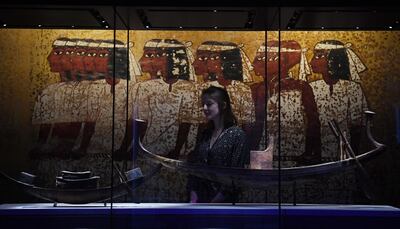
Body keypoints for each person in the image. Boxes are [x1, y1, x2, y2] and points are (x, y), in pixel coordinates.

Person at [251, 40, 321, 168]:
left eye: (262, 58)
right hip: (261, 157)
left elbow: (313, 124)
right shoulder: (256, 89)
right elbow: (251, 126)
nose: (255, 63)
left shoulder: (301, 87)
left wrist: (311, 154)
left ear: (281, 61)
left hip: (294, 157)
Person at [187, 86, 250, 203]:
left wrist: (214, 204)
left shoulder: (237, 135)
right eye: (203, 104)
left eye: (209, 104)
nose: (204, 108)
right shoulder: (205, 134)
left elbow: (235, 176)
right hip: (200, 202)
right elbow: (196, 169)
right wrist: (193, 199)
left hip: (224, 206)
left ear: (223, 106)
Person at [309, 40, 368, 161]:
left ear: (333, 59)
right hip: (317, 153)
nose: (311, 61)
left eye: (319, 56)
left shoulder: (352, 88)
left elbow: (357, 126)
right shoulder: (312, 87)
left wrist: (353, 157)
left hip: (344, 152)